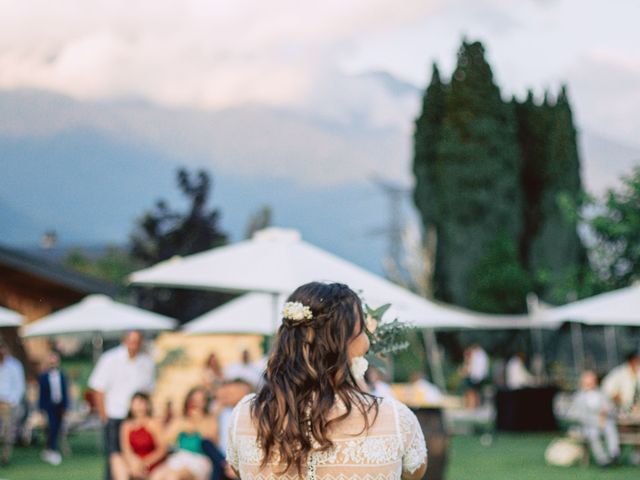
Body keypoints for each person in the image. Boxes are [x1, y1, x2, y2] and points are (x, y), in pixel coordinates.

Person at [226, 282, 427, 479]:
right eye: (363, 329)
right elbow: (413, 473)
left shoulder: (244, 416)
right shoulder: (395, 420)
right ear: (346, 342)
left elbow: (237, 470)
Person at [89, 331, 155, 479]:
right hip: (115, 416)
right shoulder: (110, 359)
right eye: (131, 341)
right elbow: (98, 389)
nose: (134, 345)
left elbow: (149, 391)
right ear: (124, 341)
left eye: (137, 341)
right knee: (114, 457)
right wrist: (104, 416)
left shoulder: (146, 362)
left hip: (137, 418)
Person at [153, 387, 217, 480]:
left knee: (173, 477)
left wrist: (196, 423)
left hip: (199, 459)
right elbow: (165, 439)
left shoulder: (210, 420)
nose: (196, 403)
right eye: (194, 400)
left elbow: (211, 441)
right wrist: (181, 426)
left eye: (200, 400)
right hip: (180, 457)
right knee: (156, 475)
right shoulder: (180, 420)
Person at [110, 392, 167, 480]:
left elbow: (161, 449)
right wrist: (134, 463)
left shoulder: (154, 424)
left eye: (140, 403)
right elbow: (126, 449)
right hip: (134, 462)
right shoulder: (126, 425)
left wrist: (144, 463)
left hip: (151, 462)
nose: (138, 406)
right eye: (135, 403)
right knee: (116, 459)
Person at [569, 370, 620, 467]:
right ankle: (602, 459)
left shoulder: (602, 394)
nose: (589, 384)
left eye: (591, 381)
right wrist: (597, 422)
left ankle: (614, 453)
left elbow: (611, 408)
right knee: (593, 434)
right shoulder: (578, 397)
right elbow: (579, 416)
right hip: (588, 424)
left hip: (605, 421)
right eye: (587, 382)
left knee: (610, 427)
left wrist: (606, 412)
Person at [38, 351, 69, 466]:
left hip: (59, 405)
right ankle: (53, 449)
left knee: (58, 427)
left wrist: (66, 406)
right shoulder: (43, 376)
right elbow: (41, 394)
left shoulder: (62, 375)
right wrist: (41, 409)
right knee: (52, 427)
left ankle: (49, 448)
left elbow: (65, 392)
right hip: (49, 406)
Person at [0, 340, 25, 466]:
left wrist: (12, 401)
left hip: (8, 404)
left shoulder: (14, 365)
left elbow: (20, 386)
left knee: (8, 432)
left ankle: (5, 457)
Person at [461, 344, 489, 408]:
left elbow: (469, 368)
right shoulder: (482, 355)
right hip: (478, 376)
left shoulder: (475, 355)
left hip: (473, 376)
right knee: (475, 392)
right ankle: (475, 405)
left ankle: (471, 405)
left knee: (471, 391)